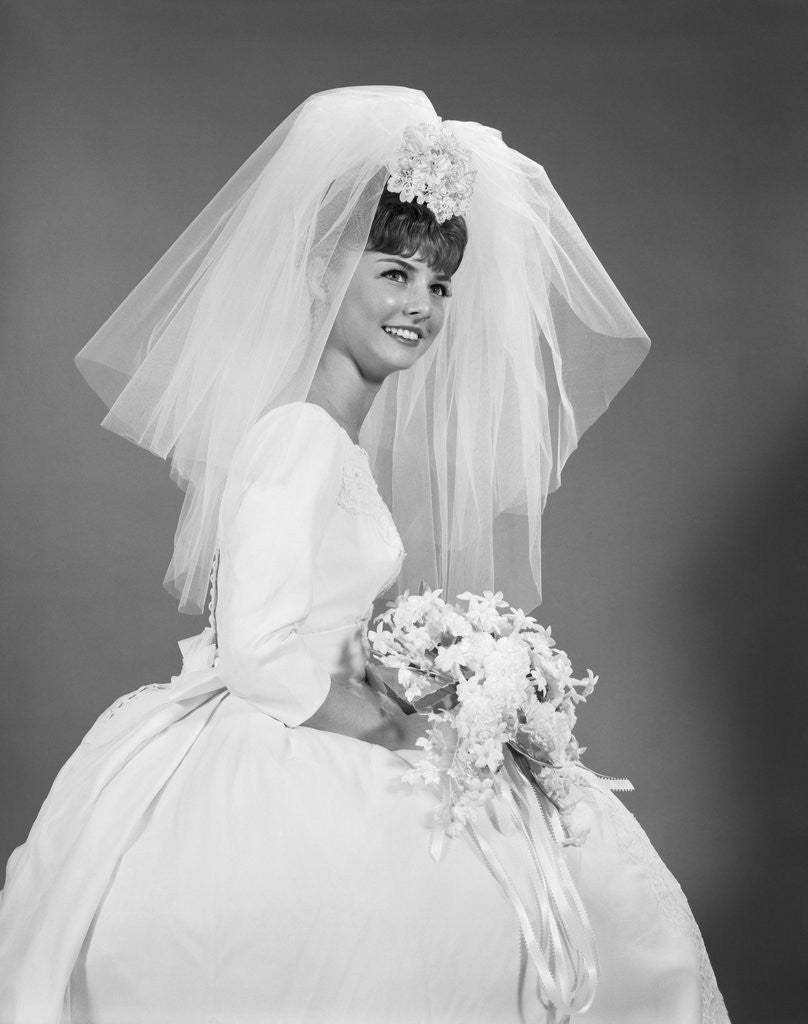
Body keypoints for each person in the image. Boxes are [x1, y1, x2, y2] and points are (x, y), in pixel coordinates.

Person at [0, 86, 730, 1023]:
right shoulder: (300, 436)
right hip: (284, 736)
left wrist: (435, 682)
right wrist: (402, 727)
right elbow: (260, 654)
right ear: (322, 280)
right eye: (393, 272)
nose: (420, 306)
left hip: (323, 707)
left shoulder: (329, 440)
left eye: (439, 286)